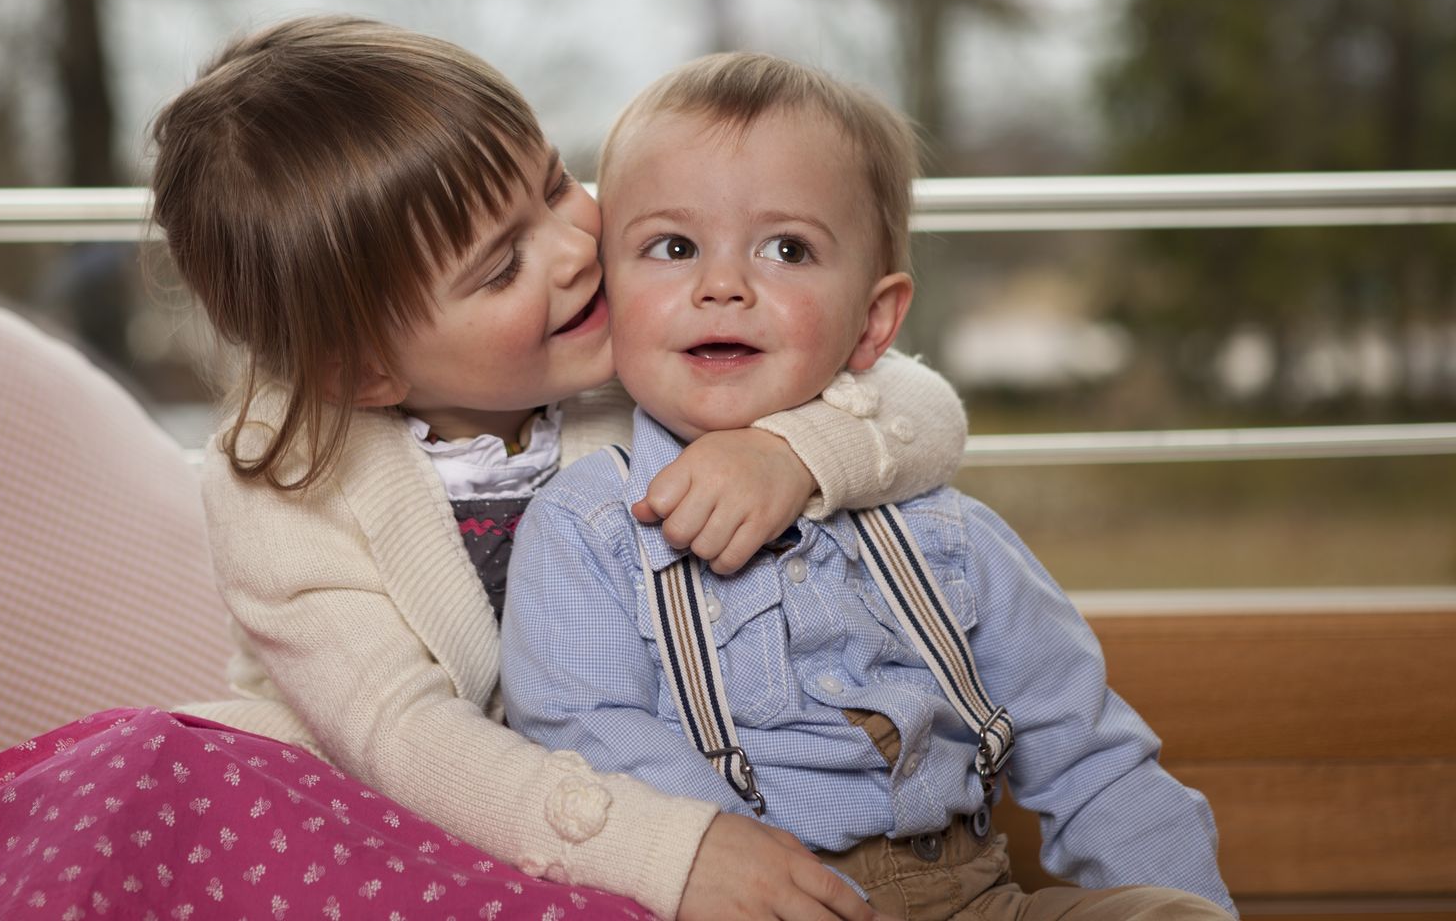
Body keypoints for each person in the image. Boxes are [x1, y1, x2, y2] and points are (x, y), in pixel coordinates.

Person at [149, 17, 972, 920]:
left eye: (553, 184)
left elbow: (915, 404)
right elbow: (402, 739)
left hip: (644, 770)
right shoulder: (283, 479)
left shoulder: (622, 336)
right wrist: (665, 847)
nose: (578, 249)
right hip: (394, 824)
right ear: (360, 368)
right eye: (503, 266)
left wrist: (794, 454)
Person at [499, 52, 1238, 919]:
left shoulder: (947, 536)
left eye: (787, 249)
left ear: (874, 320)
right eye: (672, 246)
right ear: (608, 294)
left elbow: (1091, 756)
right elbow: (590, 741)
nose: (723, 285)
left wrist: (1190, 902)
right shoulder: (587, 527)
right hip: (754, 900)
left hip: (976, 898)